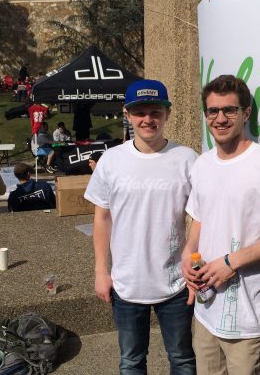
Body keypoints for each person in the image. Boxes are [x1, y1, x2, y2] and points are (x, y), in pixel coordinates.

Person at [182, 75, 260, 375]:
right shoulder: (202, 164)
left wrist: (231, 262)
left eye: (229, 110)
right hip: (205, 311)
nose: (220, 118)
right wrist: (187, 254)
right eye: (212, 111)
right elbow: (199, 220)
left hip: (247, 318)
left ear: (246, 113)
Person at [84, 79, 198, 374]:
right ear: (127, 114)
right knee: (131, 360)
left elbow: (201, 215)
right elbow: (101, 218)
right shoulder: (111, 160)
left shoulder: (186, 159)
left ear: (167, 114)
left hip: (175, 282)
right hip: (126, 284)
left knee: (182, 358)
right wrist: (100, 271)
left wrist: (193, 264)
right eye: (140, 112)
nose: (148, 119)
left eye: (155, 112)